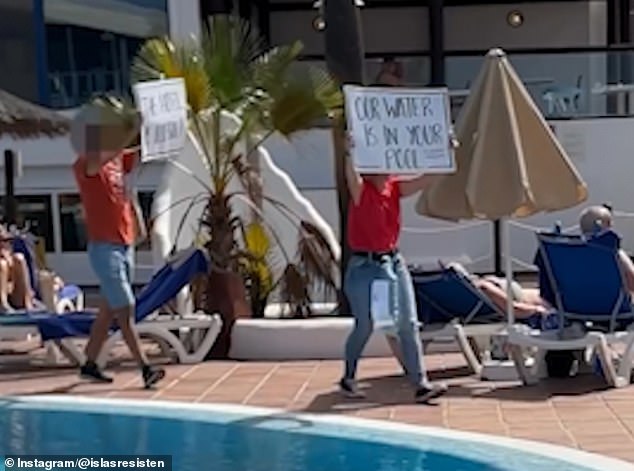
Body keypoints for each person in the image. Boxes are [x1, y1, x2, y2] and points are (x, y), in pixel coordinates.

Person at [339, 136, 449, 404]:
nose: (387, 168)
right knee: (365, 325)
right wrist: (348, 150)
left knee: (408, 324)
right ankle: (349, 377)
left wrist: (445, 150)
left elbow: (427, 179)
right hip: (365, 266)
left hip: (393, 262)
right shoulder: (361, 189)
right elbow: (350, 173)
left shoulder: (394, 187)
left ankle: (420, 383)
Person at [72, 107, 164, 389]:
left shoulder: (115, 163)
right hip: (104, 248)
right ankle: (145, 368)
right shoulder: (86, 164)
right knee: (126, 307)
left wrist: (145, 124)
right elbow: (113, 151)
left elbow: (137, 152)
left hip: (124, 244)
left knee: (109, 310)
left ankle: (89, 363)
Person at [578, 204, 634, 292]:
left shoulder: (572, 252)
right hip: (614, 303)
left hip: (579, 301)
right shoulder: (610, 249)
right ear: (605, 226)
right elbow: (632, 280)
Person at [0, 225, 34, 312]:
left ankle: (27, 300)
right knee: (2, 265)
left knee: (19, 258)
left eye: (8, 241)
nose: (5, 244)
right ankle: (3, 304)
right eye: (2, 241)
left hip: (14, 297)